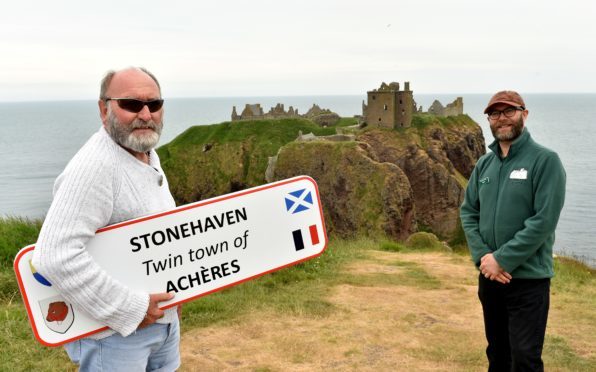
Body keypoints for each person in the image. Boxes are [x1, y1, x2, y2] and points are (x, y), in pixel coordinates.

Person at [32, 67, 180, 371]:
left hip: (163, 322)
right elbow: (54, 255)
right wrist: (132, 308)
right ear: (104, 109)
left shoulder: (144, 151)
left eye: (154, 104)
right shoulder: (95, 167)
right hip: (114, 335)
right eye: (130, 104)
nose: (145, 114)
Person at [460, 90, 566, 371]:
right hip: (490, 277)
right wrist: (485, 258)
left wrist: (502, 260)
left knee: (525, 358)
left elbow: (543, 220)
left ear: (524, 114)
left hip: (529, 281)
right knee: (497, 354)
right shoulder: (485, 163)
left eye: (509, 111)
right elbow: (468, 211)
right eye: (494, 113)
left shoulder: (546, 161)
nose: (501, 119)